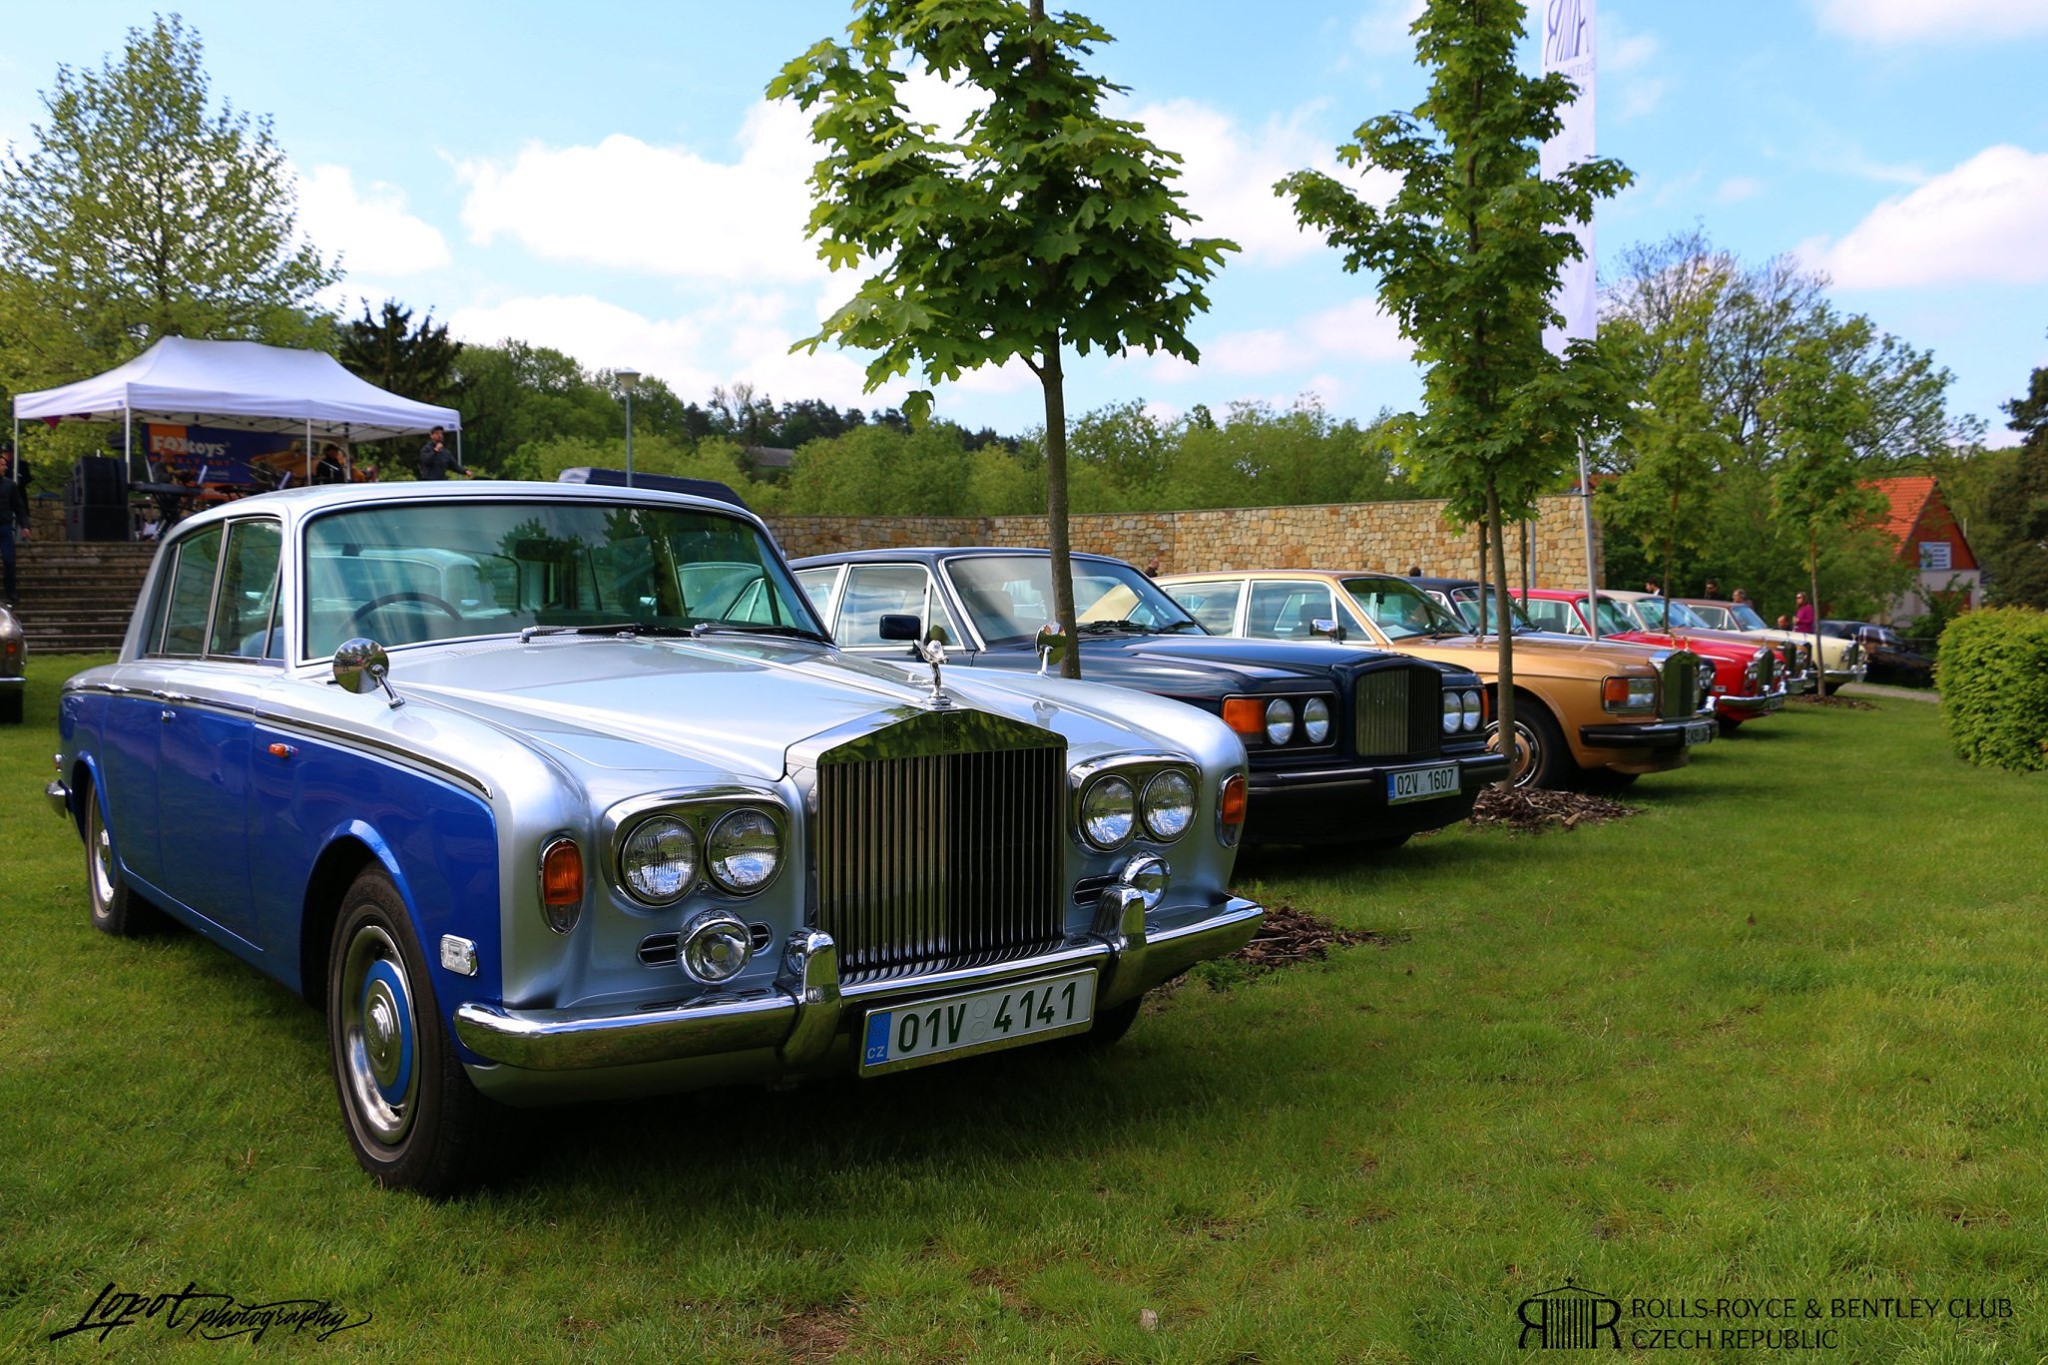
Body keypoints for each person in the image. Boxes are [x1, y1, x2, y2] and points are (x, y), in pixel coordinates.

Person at [1, 445, 29, 606]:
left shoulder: (10, 485)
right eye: (2, 464)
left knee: (9, 560)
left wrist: (25, 525)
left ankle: (11, 591)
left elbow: (19, 506)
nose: (5, 467)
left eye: (5, 464)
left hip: (5, 526)